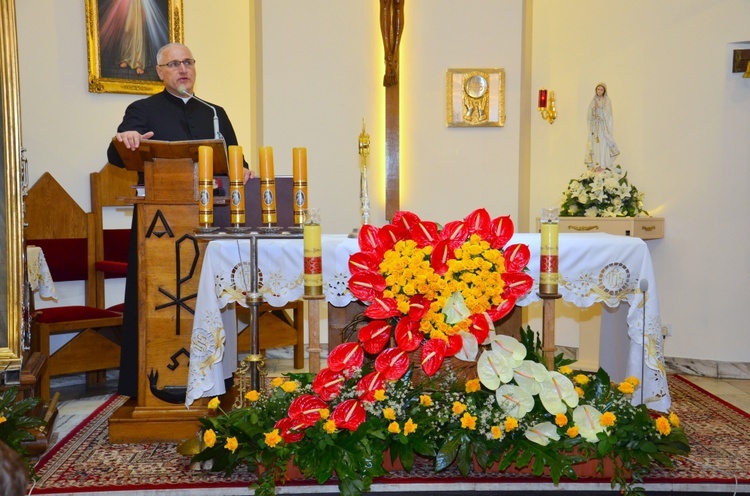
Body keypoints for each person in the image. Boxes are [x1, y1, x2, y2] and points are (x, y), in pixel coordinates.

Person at [107, 42, 251, 398]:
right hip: (158, 226)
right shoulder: (142, 109)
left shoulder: (213, 112)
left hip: (209, 222)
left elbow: (237, 160)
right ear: (160, 72)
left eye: (187, 62)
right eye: (173, 64)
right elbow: (117, 151)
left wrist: (243, 171)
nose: (182, 69)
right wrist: (127, 139)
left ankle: (218, 380)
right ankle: (149, 383)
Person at [584, 82, 619, 169]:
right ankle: (596, 164)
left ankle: (603, 164)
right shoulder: (593, 100)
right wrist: (594, 110)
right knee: (595, 145)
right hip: (595, 128)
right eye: (598, 89)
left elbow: (607, 114)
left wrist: (599, 107)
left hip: (603, 128)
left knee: (603, 145)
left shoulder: (606, 101)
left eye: (601, 89)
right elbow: (589, 116)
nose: (599, 91)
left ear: (604, 91)